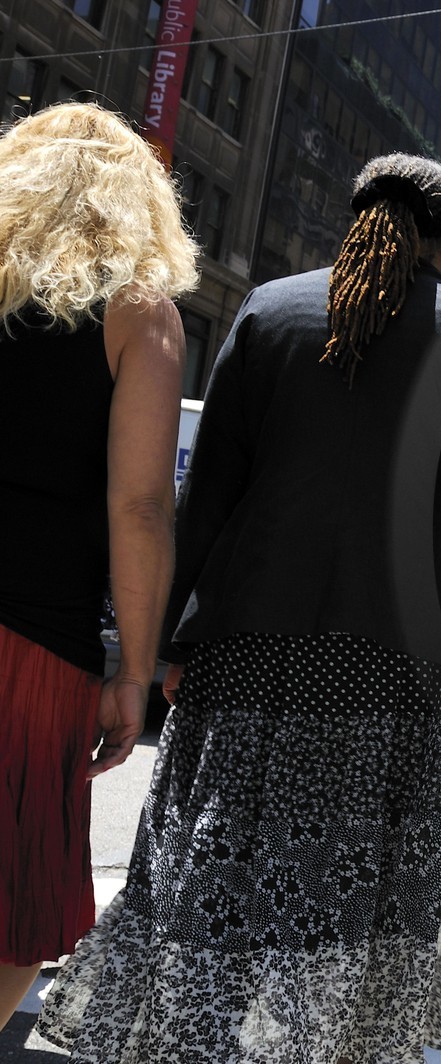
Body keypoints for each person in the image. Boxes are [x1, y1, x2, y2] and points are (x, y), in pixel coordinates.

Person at [38, 153, 441, 1062]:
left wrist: (160, 644)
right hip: (416, 680)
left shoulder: (271, 312)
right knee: (369, 915)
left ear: (353, 218)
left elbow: (208, 496)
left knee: (221, 887)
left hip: (254, 658)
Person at [0, 101, 197, 1030]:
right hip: (34, 644)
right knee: (10, 914)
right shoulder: (137, 312)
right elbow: (141, 507)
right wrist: (133, 671)